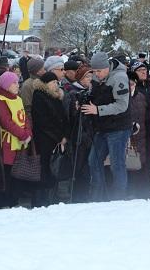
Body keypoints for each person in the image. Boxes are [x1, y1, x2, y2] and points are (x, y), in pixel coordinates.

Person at [82, 52, 132, 201]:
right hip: (101, 127)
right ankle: (98, 196)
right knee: (93, 161)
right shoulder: (99, 76)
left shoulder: (120, 78)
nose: (96, 74)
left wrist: (98, 110)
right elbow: (96, 96)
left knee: (117, 165)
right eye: (94, 71)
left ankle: (118, 198)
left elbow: (122, 105)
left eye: (99, 71)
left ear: (107, 67)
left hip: (118, 127)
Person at [0, 72, 32, 207]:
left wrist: (28, 133)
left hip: (20, 141)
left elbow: (24, 118)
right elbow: (6, 121)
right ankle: (5, 200)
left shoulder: (18, 98)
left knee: (16, 172)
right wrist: (23, 135)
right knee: (7, 172)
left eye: (17, 82)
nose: (17, 85)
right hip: (7, 142)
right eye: (14, 83)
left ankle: (14, 199)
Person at [31, 71, 69, 206]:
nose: (56, 85)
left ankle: (51, 197)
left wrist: (64, 135)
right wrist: (58, 136)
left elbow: (63, 117)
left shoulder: (56, 97)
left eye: (56, 82)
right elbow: (43, 120)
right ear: (46, 84)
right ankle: (40, 200)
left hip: (56, 138)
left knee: (54, 168)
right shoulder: (39, 96)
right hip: (45, 138)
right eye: (53, 82)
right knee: (44, 168)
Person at [63, 65, 94, 202]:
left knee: (88, 167)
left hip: (90, 134)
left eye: (91, 77)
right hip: (78, 135)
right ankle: (76, 196)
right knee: (78, 167)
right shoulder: (72, 93)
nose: (90, 79)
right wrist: (76, 110)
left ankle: (86, 194)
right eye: (87, 77)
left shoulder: (92, 92)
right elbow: (67, 116)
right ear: (80, 78)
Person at [127, 72, 149, 198]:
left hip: (141, 136)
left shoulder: (141, 96)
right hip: (127, 136)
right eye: (128, 84)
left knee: (140, 164)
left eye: (132, 84)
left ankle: (140, 193)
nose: (130, 86)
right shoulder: (120, 97)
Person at [19, 57, 45, 125]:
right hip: (36, 123)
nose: (45, 70)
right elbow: (27, 108)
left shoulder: (44, 81)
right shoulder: (27, 85)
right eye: (43, 68)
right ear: (38, 71)